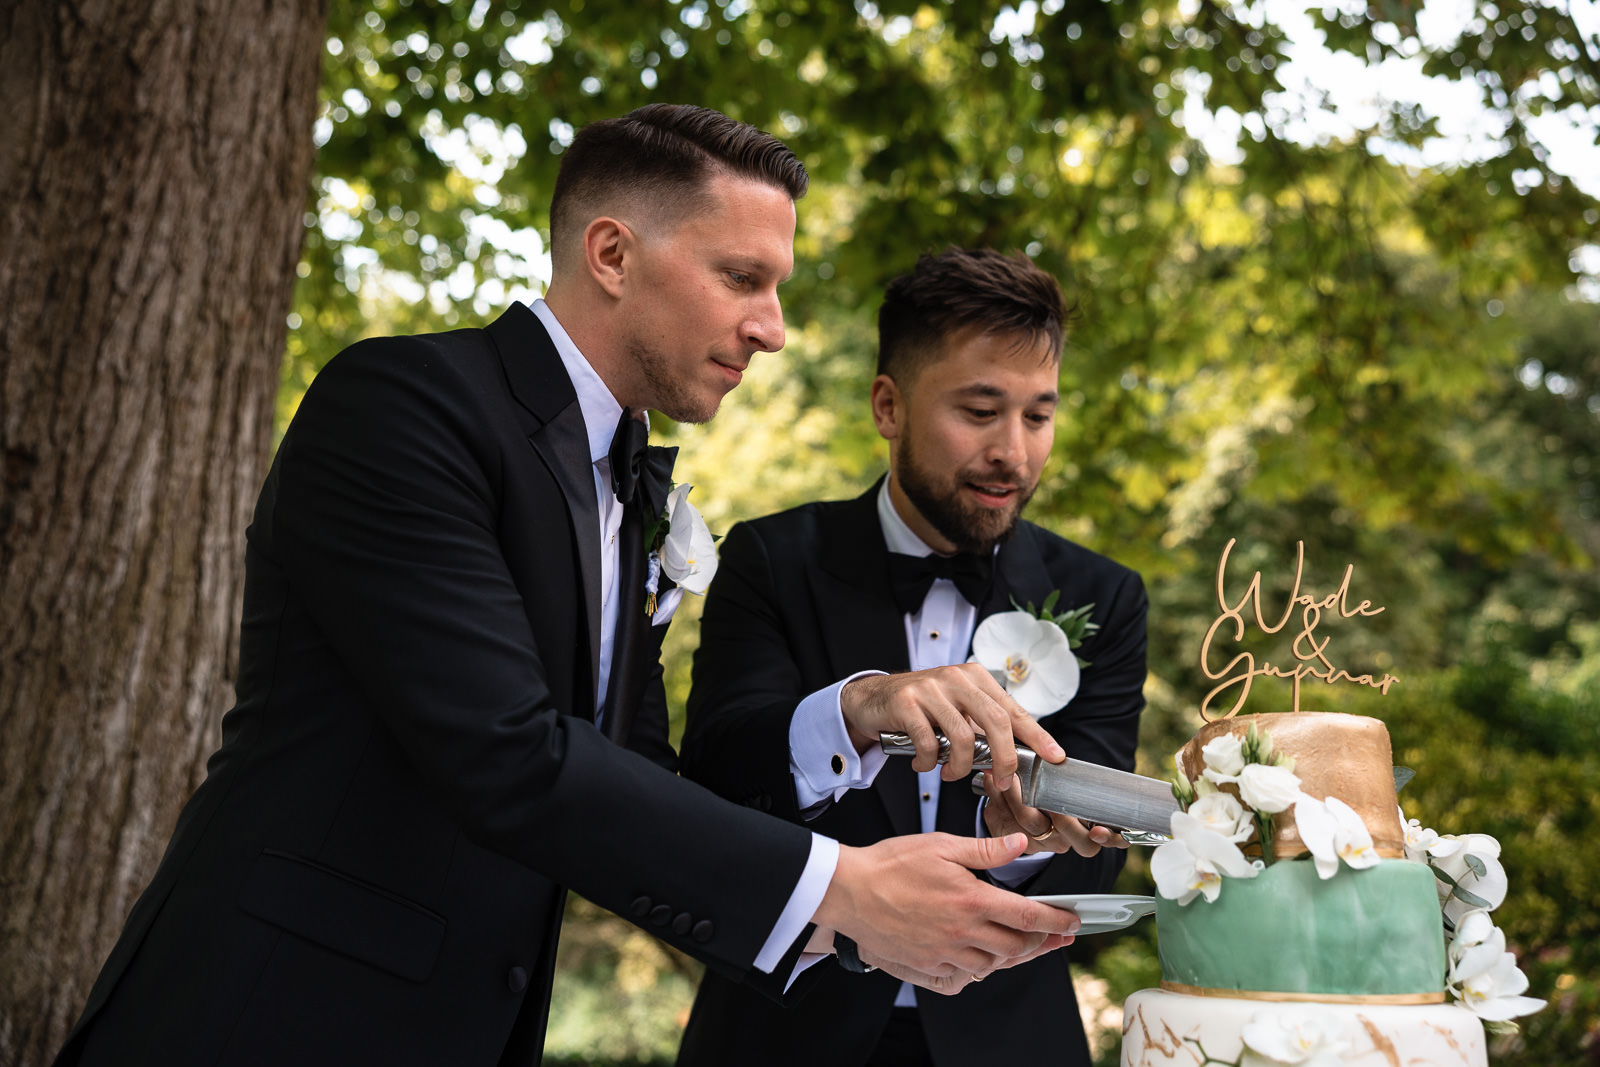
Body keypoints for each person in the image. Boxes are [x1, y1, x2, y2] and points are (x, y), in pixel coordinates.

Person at [51, 108, 1085, 1067]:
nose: (772, 327)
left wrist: (855, 734)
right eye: (740, 277)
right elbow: (508, 751)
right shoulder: (404, 407)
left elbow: (630, 777)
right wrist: (845, 886)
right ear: (611, 253)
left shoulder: (625, 478)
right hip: (270, 1016)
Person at [674, 247, 1150, 1067]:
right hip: (781, 1035)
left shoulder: (1105, 597)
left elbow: (1101, 858)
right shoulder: (770, 559)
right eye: (979, 410)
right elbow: (715, 778)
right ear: (888, 406)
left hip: (1010, 1041)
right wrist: (851, 711)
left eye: (1038, 416)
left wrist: (1031, 840)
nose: (1015, 452)